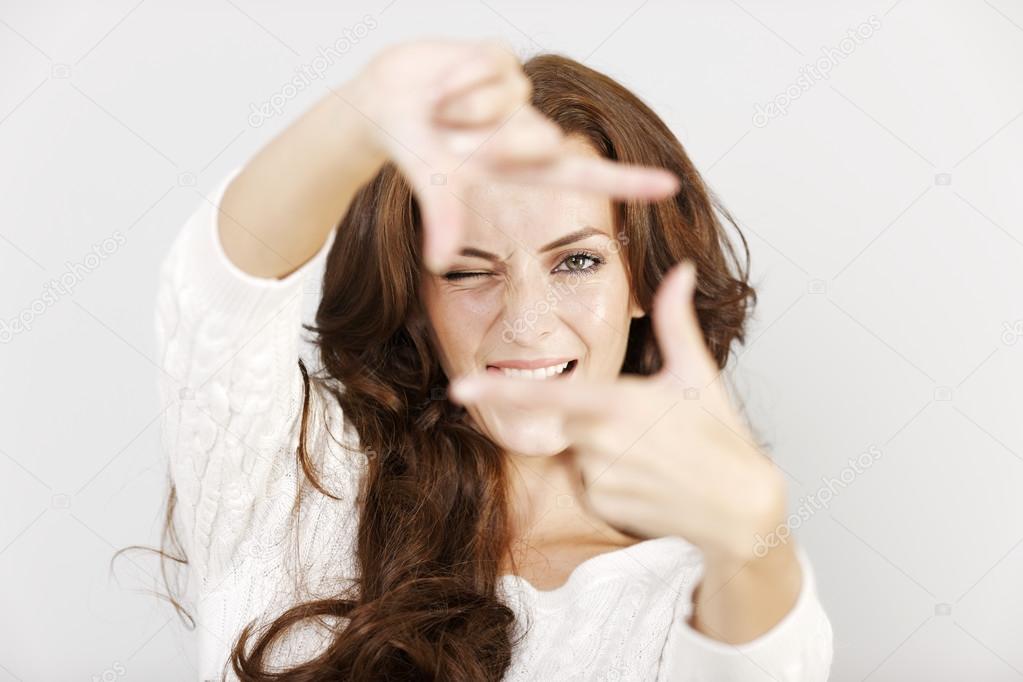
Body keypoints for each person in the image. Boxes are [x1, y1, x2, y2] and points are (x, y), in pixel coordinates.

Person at [153, 38, 833, 680]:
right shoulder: (303, 493)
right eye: (467, 271)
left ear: (644, 284)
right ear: (415, 298)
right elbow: (216, 304)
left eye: (577, 261)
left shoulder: (694, 598)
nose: (526, 324)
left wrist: (755, 542)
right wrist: (362, 113)